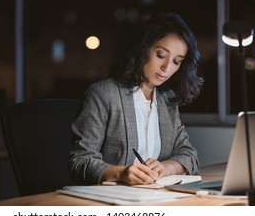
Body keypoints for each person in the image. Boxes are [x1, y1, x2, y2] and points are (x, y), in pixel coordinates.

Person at [69, 12, 203, 185]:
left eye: (176, 61)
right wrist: (120, 173)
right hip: (112, 202)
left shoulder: (167, 100)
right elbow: (79, 162)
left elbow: (189, 155)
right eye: (161, 55)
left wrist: (168, 167)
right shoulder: (103, 94)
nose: (166, 68)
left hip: (155, 198)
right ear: (142, 48)